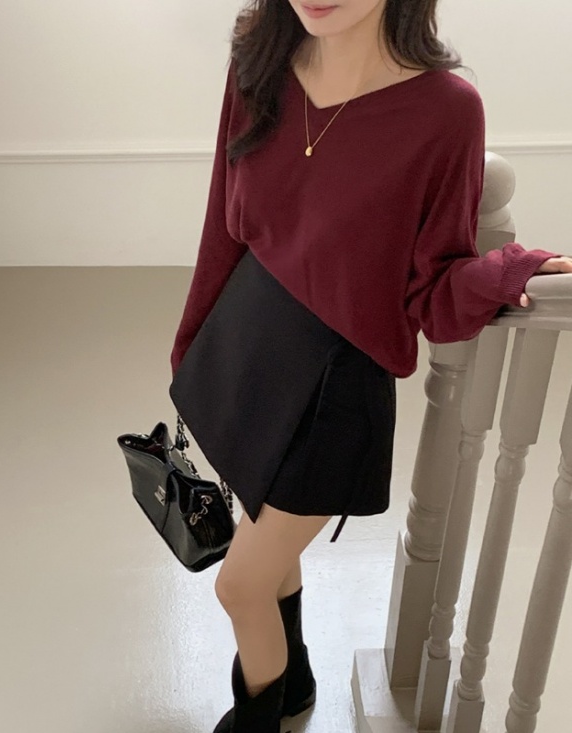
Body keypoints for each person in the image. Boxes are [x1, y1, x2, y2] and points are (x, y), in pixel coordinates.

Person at [168, 1, 572, 731]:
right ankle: (293, 683)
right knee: (267, 550)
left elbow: (434, 287)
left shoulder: (445, 111)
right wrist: (194, 343)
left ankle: (258, 717)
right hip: (248, 343)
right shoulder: (258, 59)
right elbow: (222, 223)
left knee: (239, 585)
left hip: (336, 387)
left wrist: (511, 268)